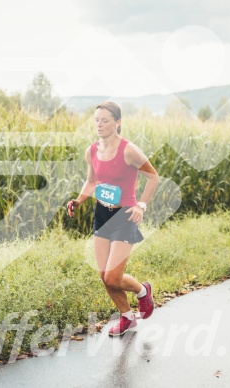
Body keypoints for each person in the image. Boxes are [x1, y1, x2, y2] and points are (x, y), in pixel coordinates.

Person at [67, 101, 159, 336]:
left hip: (124, 216)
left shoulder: (128, 150)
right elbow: (92, 182)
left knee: (113, 276)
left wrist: (141, 205)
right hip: (101, 213)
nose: (99, 124)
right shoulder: (92, 151)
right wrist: (79, 200)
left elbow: (152, 177)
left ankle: (142, 292)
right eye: (97, 120)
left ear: (118, 122)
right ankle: (127, 317)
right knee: (104, 277)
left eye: (105, 120)